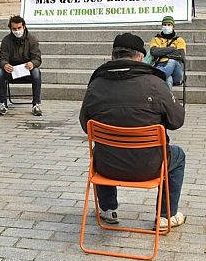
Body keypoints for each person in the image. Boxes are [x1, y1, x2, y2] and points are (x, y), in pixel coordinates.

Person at [79, 33, 186, 229]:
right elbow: (177, 120)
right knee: (177, 155)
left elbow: (85, 124)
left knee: (99, 150)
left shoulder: (96, 84)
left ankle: (107, 209)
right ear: (140, 57)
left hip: (107, 166)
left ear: (113, 56)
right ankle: (165, 216)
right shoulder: (156, 84)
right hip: (149, 166)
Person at [0, 15, 43, 116]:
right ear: (10, 29)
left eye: (19, 28)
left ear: (24, 27)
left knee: (36, 72)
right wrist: (5, 65)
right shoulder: (6, 41)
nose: (17, 31)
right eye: (14, 29)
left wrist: (32, 63)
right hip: (12, 71)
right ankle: (3, 103)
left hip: (27, 71)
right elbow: (2, 59)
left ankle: (36, 104)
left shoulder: (32, 40)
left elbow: (37, 58)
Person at [148, 15, 186, 88]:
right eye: (164, 25)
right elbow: (154, 52)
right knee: (169, 79)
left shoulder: (179, 40)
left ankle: (158, 76)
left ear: (173, 26)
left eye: (169, 25)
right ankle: (167, 96)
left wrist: (161, 52)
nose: (166, 27)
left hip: (176, 71)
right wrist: (172, 49)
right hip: (159, 65)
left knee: (172, 61)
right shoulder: (156, 39)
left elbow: (180, 55)